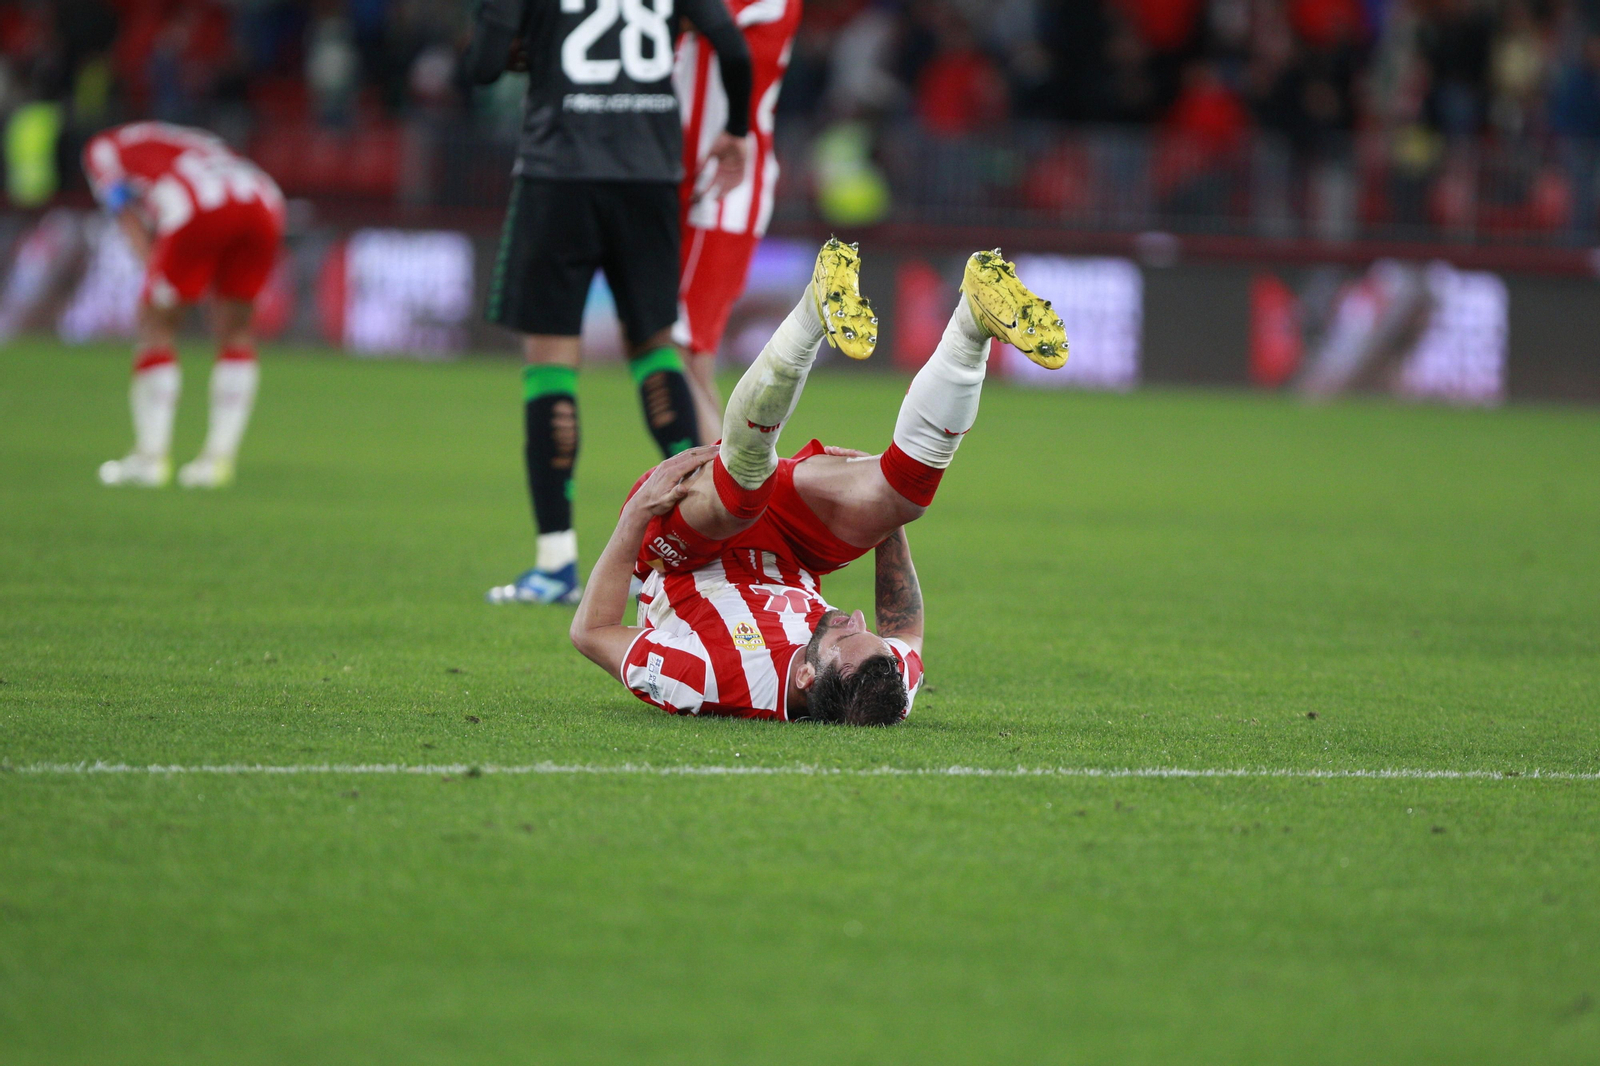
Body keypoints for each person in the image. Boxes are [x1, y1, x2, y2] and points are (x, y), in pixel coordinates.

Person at [569, 239, 1067, 723]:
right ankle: (971, 324)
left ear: (806, 675)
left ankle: (812, 309)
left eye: (846, 636)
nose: (855, 616)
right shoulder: (881, 684)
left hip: (684, 546)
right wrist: (882, 519)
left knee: (744, 492)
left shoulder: (701, 679)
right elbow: (906, 632)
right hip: (793, 545)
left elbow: (591, 632)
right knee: (904, 496)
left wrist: (636, 515)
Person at [463, 0, 754, 605]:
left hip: (559, 175)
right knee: (653, 350)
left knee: (549, 363)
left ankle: (554, 564)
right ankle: (717, 541)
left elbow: (483, 67)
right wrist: (738, 132)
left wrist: (524, 43)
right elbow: (731, 46)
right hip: (647, 178)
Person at [84, 122, 285, 489]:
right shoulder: (186, 137)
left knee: (155, 324)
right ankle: (216, 462)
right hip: (264, 200)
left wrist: (156, 269)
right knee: (237, 329)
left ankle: (150, 459)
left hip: (199, 206)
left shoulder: (102, 149)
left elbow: (123, 210)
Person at [673, 0, 805, 436]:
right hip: (685, 177)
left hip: (724, 191)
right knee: (678, 349)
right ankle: (726, 486)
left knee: (678, 347)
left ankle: (728, 492)